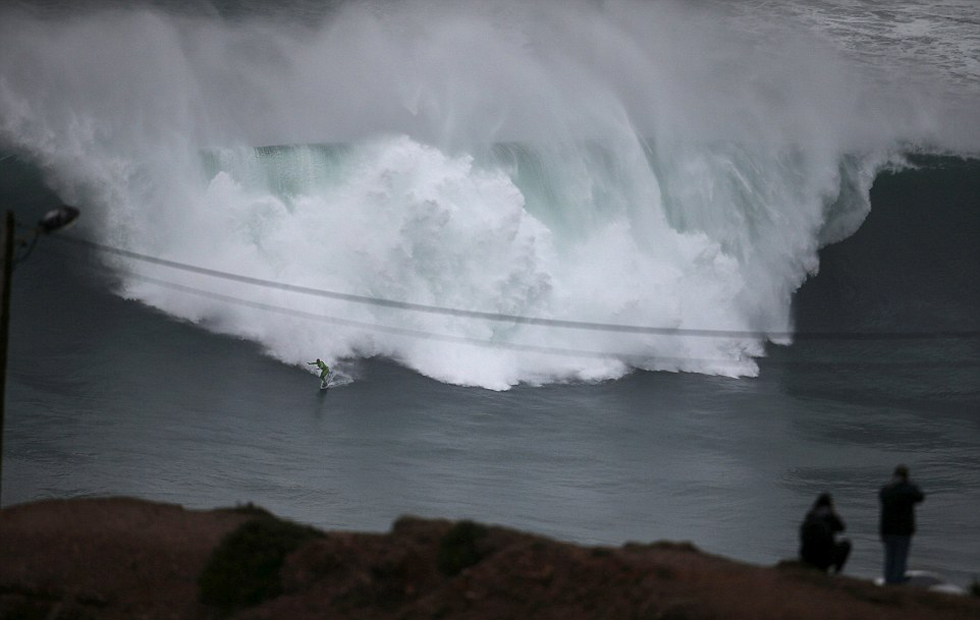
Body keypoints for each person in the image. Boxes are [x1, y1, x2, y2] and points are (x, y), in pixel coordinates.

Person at [879, 464, 925, 584]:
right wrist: (910, 484)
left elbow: (882, 495)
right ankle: (897, 582)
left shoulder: (887, 490)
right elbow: (920, 497)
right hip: (903, 530)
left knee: (889, 557)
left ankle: (888, 580)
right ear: (906, 476)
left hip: (887, 530)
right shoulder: (908, 489)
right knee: (900, 557)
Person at [799, 492, 851, 573]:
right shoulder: (829, 516)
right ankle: (836, 573)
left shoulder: (810, 516)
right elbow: (841, 528)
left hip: (807, 558)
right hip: (824, 559)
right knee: (846, 544)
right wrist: (833, 514)